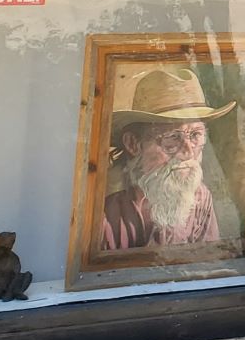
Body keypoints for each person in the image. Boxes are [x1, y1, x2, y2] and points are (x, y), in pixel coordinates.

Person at [98, 67, 234, 252]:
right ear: (133, 144)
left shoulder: (200, 198)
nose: (188, 151)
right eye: (172, 137)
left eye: (195, 135)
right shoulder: (104, 214)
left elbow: (207, 267)